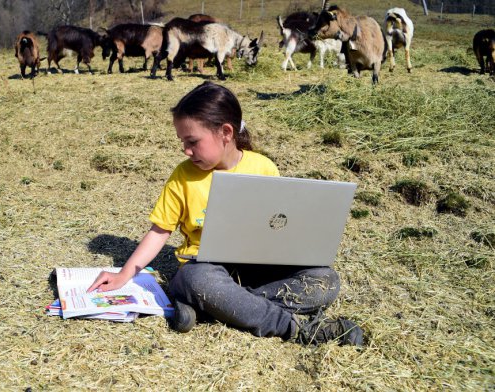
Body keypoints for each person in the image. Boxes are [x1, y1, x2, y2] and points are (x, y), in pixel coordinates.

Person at [88, 81, 363, 346]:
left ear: (226, 133)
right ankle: (293, 327)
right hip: (206, 268)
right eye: (182, 141)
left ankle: (214, 306)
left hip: (259, 268)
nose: (186, 150)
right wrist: (124, 275)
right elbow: (159, 232)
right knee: (195, 280)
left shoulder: (264, 167)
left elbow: (278, 226)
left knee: (325, 280)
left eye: (193, 141)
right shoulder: (183, 176)